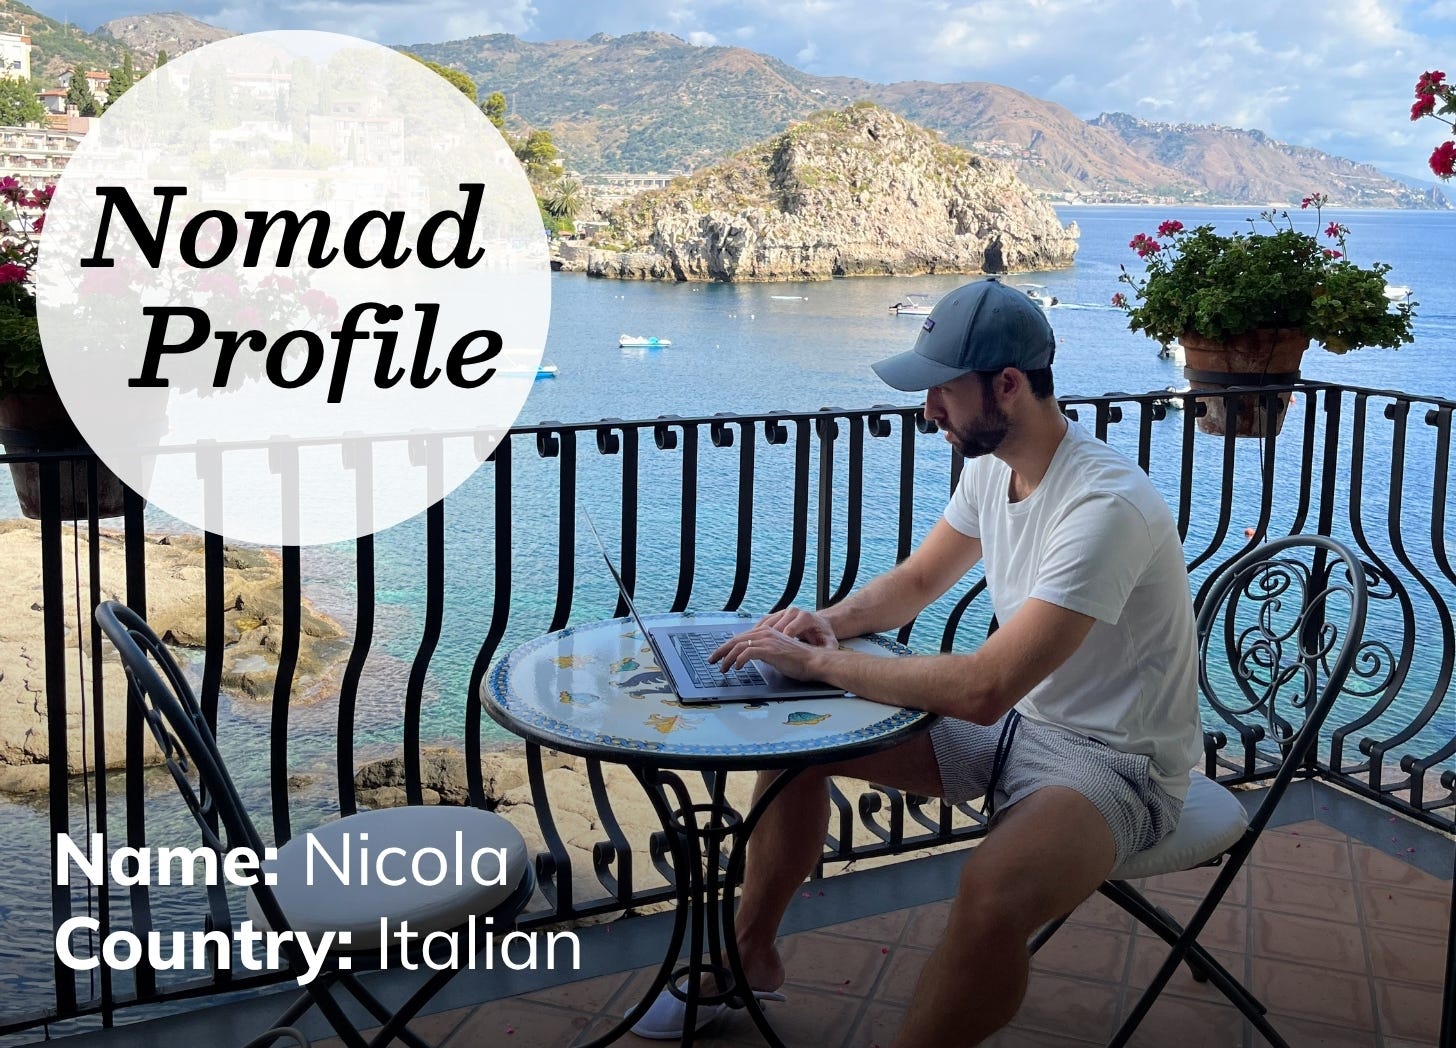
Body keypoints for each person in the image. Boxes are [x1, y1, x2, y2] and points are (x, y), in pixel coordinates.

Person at [631, 277, 1203, 1046]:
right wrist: (824, 624)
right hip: (1017, 730)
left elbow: (986, 687)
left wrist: (820, 665)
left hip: (1115, 763)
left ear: (1008, 385)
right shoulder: (992, 465)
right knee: (798, 754)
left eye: (942, 390)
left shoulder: (1105, 507)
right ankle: (749, 956)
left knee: (992, 895)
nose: (928, 410)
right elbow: (918, 581)